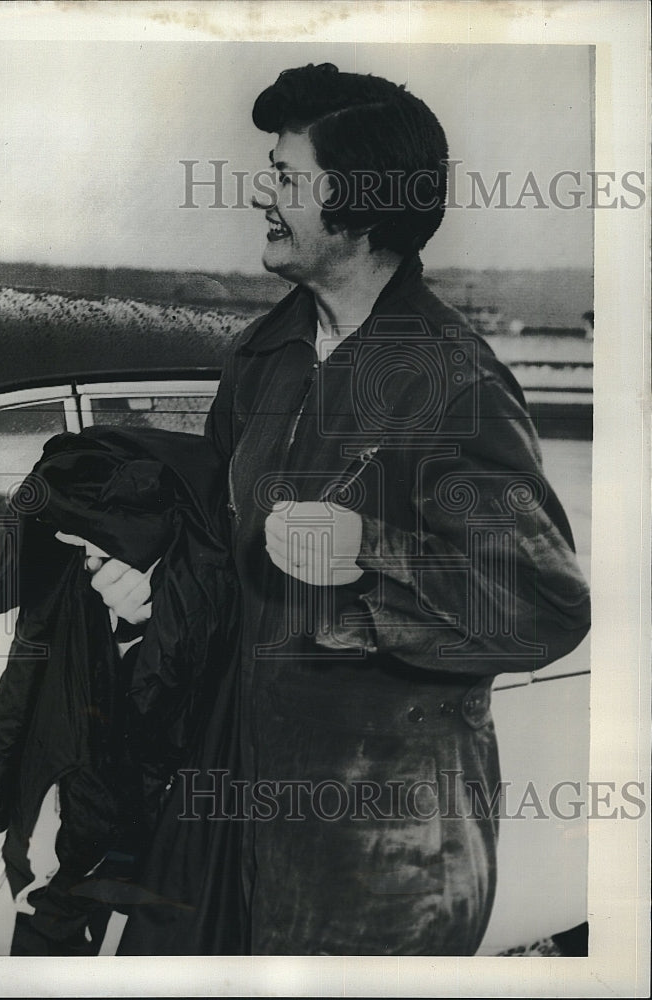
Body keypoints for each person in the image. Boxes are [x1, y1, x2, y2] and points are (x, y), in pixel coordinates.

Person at [92, 63, 591, 955]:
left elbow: (542, 607)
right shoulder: (263, 357)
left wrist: (373, 549)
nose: (261, 194)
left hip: (375, 862)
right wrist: (152, 571)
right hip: (224, 827)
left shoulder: (453, 380)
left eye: (285, 177)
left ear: (358, 205)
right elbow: (216, 549)